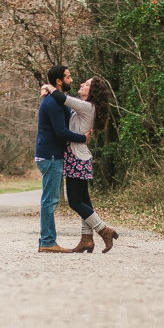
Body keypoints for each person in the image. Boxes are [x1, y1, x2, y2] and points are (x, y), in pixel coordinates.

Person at [41, 75, 119, 253]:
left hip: (78, 158)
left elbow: (62, 98)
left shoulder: (86, 106)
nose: (83, 84)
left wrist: (48, 86)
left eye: (88, 84)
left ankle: (104, 230)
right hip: (79, 156)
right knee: (84, 201)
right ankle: (86, 239)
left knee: (75, 202)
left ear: (93, 91)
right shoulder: (85, 107)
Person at [35, 65, 90, 253]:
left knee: (49, 199)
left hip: (50, 155)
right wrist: (83, 138)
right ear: (59, 81)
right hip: (50, 156)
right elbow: (61, 132)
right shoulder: (54, 103)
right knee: (50, 200)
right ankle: (48, 242)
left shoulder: (57, 101)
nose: (72, 80)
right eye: (68, 77)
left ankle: (48, 241)